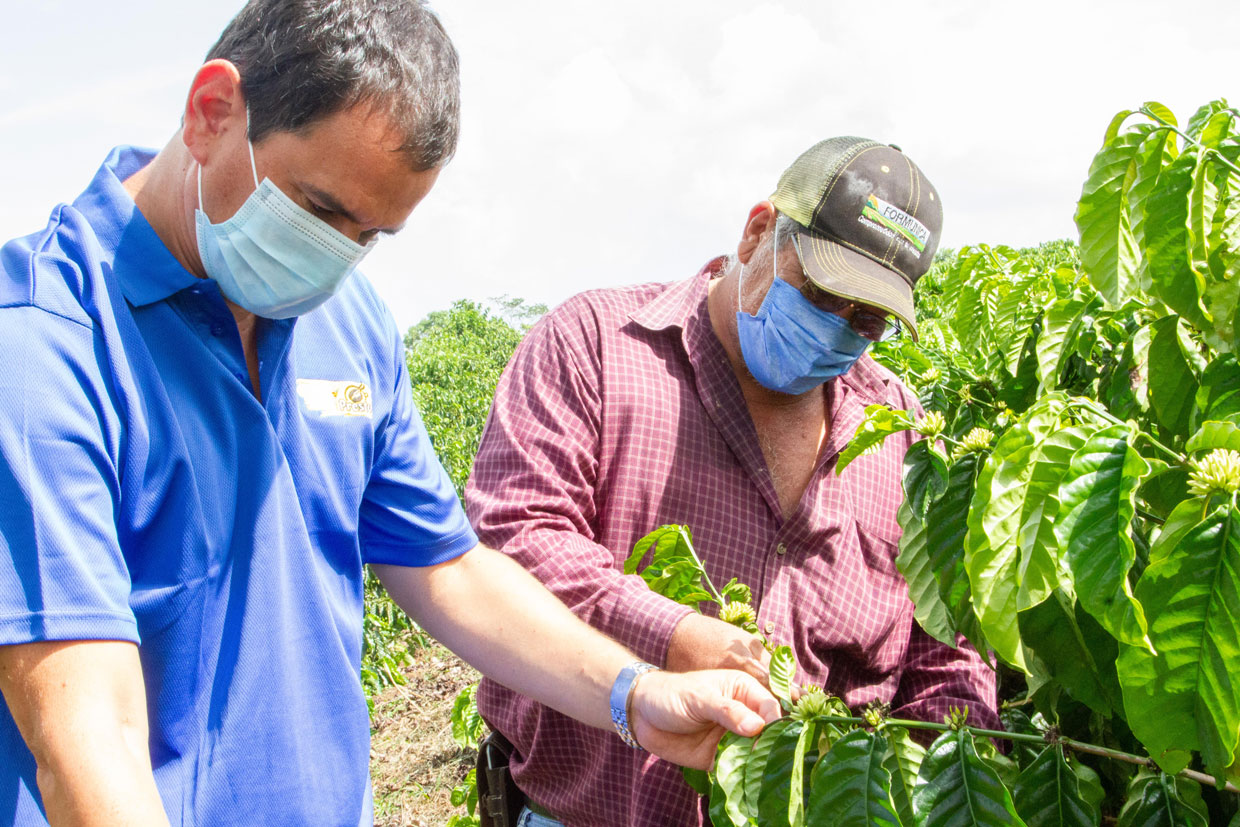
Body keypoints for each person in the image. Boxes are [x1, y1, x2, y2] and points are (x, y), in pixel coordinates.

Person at [0, 2, 782, 825]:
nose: (332, 256)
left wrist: (633, 691)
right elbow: (89, 740)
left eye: (369, 235)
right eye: (317, 209)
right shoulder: (46, 344)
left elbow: (446, 570)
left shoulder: (347, 322)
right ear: (211, 113)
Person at [466, 136, 1002, 826]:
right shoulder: (594, 345)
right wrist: (677, 635)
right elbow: (514, 541)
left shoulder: (900, 429)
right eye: (822, 292)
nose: (835, 330)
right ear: (758, 232)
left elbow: (947, 646)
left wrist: (937, 767)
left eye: (865, 319)